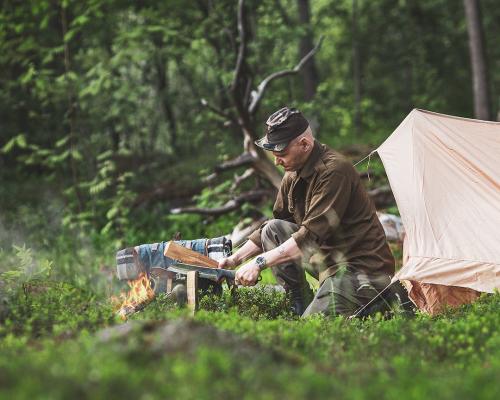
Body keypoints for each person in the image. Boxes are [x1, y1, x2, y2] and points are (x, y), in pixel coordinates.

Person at [218, 107, 395, 317]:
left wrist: (258, 263)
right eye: (273, 154)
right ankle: (298, 302)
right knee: (272, 229)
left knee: (312, 329)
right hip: (329, 264)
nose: (276, 161)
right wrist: (235, 259)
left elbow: (308, 238)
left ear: (304, 144)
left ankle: (377, 302)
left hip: (361, 271)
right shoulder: (292, 172)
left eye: (281, 154)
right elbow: (278, 223)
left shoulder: (334, 171)